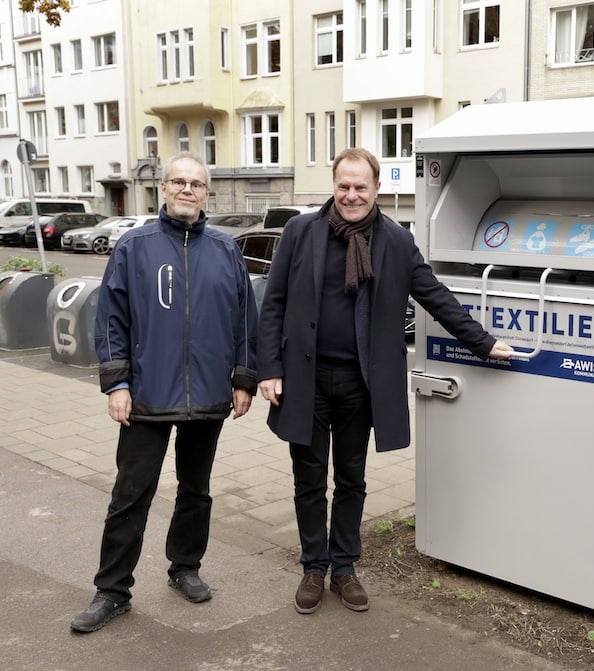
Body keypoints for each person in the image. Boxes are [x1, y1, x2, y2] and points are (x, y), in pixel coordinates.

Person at [257, 147, 513, 615]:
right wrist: (269, 369)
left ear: (377, 188)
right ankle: (314, 566)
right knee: (309, 479)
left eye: (360, 187)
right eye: (343, 186)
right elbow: (272, 303)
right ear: (333, 187)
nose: (351, 195)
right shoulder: (300, 232)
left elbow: (434, 294)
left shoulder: (395, 241)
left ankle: (345, 568)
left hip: (362, 382)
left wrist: (482, 342)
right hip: (305, 378)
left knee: (351, 478)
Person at [70, 152, 259, 633]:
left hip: (210, 396)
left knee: (196, 492)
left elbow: (244, 320)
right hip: (147, 396)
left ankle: (185, 567)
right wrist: (117, 383)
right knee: (131, 495)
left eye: (196, 184)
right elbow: (110, 320)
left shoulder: (225, 250)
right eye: (178, 181)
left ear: (206, 194)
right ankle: (112, 591)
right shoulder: (135, 246)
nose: (186, 190)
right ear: (164, 188)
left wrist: (242, 378)